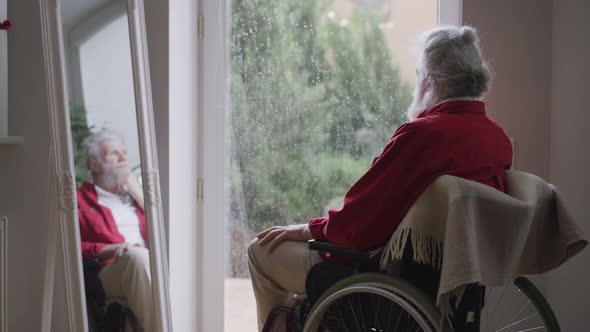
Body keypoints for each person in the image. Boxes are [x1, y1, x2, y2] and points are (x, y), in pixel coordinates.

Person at [248, 25, 514, 330]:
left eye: (419, 74)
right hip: (454, 280)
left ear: (430, 80)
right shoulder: (497, 139)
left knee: (260, 250)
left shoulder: (423, 135)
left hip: (387, 278)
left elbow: (358, 226)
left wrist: (307, 229)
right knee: (297, 297)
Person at [76, 129, 154, 332]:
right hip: (110, 269)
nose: (123, 157)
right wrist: (114, 248)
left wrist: (137, 192)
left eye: (124, 152)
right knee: (138, 257)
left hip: (147, 265)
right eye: (113, 153)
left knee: (145, 259)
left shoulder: (137, 200)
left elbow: (166, 233)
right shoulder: (80, 200)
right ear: (94, 164)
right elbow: (73, 247)